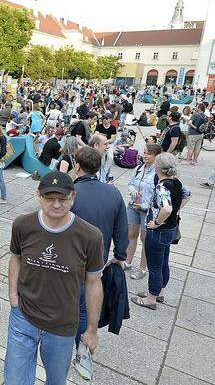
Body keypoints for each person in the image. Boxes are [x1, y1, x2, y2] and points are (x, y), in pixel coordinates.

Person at [5, 171, 104, 385]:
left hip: (62, 325)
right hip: (24, 317)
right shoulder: (23, 225)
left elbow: (94, 282)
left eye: (63, 199)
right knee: (14, 381)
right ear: (39, 196)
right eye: (50, 198)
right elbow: (16, 258)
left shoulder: (90, 236)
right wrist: (13, 297)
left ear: (73, 197)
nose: (56, 204)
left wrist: (92, 329)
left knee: (56, 381)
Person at [70, 146, 128, 376]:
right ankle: (82, 353)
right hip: (96, 264)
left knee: (68, 306)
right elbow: (121, 229)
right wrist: (120, 255)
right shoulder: (113, 193)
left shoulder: (71, 193)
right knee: (85, 310)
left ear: (77, 166)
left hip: (70, 262)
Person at [131, 153, 191, 310]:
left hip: (159, 231)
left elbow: (166, 208)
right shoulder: (176, 182)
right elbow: (187, 194)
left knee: (155, 266)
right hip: (171, 229)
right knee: (164, 261)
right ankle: (159, 292)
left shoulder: (162, 186)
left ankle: (151, 298)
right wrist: (176, 211)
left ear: (158, 167)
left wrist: (157, 222)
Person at [124, 143, 162, 280]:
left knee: (145, 240)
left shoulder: (158, 172)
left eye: (148, 153)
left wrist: (144, 205)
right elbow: (130, 184)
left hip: (147, 210)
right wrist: (133, 192)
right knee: (131, 234)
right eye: (144, 152)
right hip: (133, 206)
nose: (145, 155)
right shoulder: (139, 168)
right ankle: (127, 262)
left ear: (156, 156)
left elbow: (158, 194)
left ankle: (142, 268)